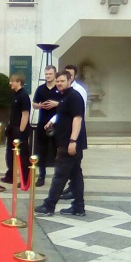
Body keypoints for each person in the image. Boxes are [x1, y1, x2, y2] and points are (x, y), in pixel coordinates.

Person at [35, 70, 87, 217]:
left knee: (59, 175)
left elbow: (77, 119)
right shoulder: (65, 97)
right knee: (76, 175)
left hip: (69, 144)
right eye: (57, 81)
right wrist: (52, 122)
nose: (59, 84)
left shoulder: (74, 97)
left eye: (62, 81)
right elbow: (63, 116)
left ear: (69, 80)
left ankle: (49, 205)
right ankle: (78, 207)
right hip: (66, 141)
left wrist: (73, 141)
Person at [61, 64, 89, 200]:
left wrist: (73, 139)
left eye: (70, 75)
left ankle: (72, 193)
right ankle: (73, 191)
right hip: (68, 134)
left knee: (75, 167)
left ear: (74, 76)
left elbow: (78, 115)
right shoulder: (66, 92)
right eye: (66, 74)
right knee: (75, 169)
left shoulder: (78, 91)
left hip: (76, 134)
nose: (68, 77)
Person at [31, 65, 62, 187]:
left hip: (57, 124)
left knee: (57, 151)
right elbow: (34, 104)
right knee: (41, 151)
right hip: (42, 123)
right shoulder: (40, 89)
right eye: (46, 74)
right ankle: (41, 175)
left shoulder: (59, 88)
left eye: (50, 74)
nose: (48, 76)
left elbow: (65, 103)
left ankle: (57, 176)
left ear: (55, 74)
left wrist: (56, 104)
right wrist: (40, 106)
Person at [0, 73, 31, 185]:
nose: (10, 83)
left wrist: (21, 131)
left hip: (19, 129)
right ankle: (10, 175)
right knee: (10, 154)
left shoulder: (23, 96)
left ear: (19, 82)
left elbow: (25, 114)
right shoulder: (15, 95)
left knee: (22, 156)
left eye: (12, 81)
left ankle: (24, 179)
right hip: (12, 128)